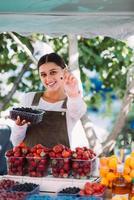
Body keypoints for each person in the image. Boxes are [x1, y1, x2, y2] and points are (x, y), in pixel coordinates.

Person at [10, 53, 88, 149]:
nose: (48, 79)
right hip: (32, 163)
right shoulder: (29, 99)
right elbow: (16, 142)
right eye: (43, 75)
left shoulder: (73, 102)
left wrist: (73, 94)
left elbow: (77, 112)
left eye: (53, 72)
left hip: (61, 163)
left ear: (64, 71)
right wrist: (19, 126)